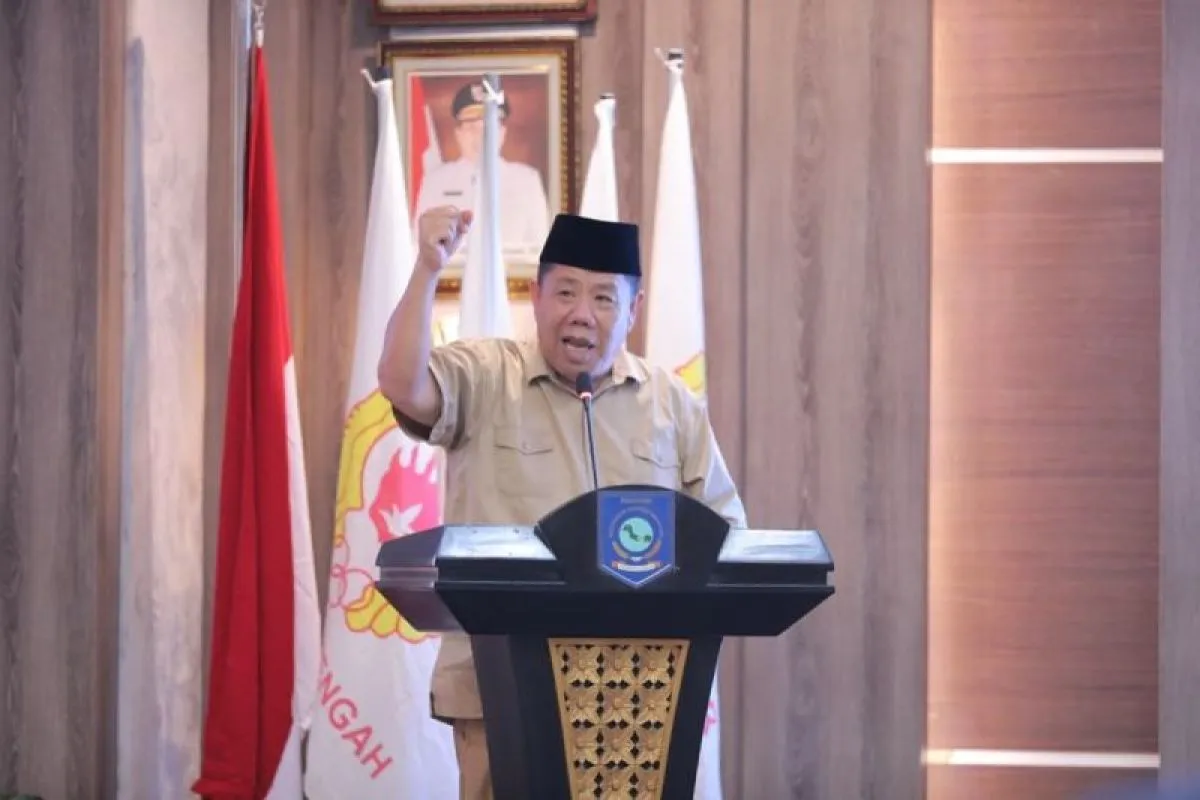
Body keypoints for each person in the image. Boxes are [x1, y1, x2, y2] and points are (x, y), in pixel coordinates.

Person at [377, 206, 747, 799]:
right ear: (535, 296)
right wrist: (427, 268)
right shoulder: (485, 376)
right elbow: (402, 384)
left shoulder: (670, 404)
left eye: (604, 298)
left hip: (639, 698)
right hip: (501, 689)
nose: (582, 313)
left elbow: (726, 537)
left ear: (634, 309)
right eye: (566, 292)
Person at [413, 81, 552, 256]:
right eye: (471, 128)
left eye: (487, 128)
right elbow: (417, 245)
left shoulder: (527, 181)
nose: (479, 137)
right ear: (458, 134)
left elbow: (542, 247)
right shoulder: (435, 182)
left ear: (502, 133)